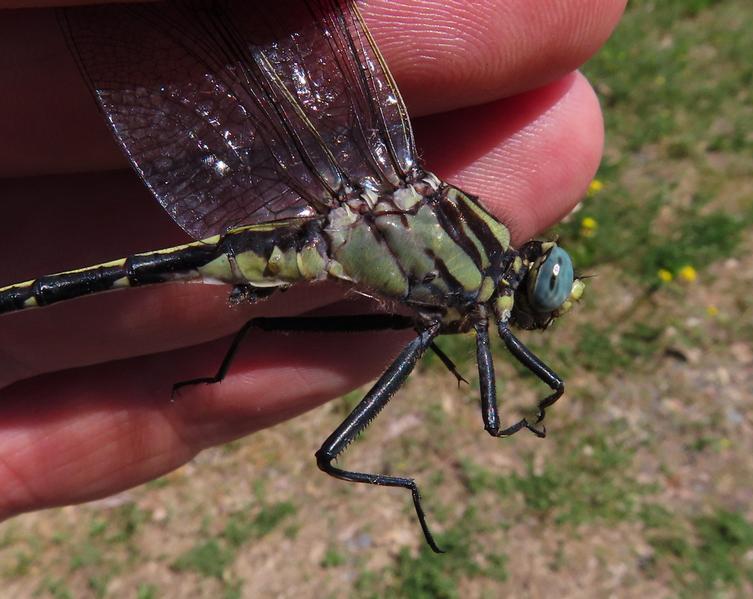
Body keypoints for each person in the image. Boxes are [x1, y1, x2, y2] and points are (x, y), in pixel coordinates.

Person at [0, 0, 626, 519]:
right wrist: (537, 407)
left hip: (347, 219)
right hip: (333, 226)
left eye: (551, 282)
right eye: (551, 281)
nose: (557, 293)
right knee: (339, 449)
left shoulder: (467, 255)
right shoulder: (477, 293)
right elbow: (495, 420)